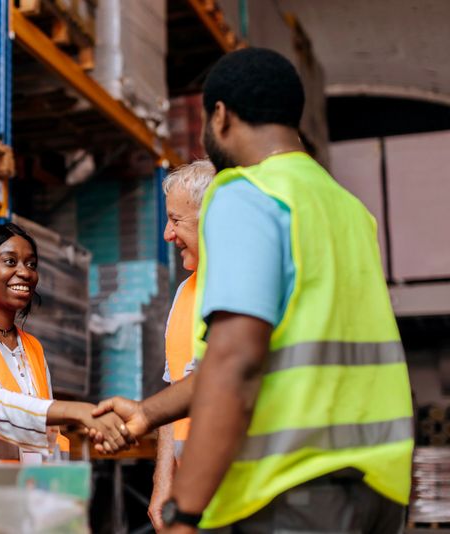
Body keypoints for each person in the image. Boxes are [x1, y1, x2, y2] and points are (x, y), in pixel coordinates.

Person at [93, 47, 413, 533]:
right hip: (379, 490)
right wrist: (146, 414)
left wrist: (187, 511)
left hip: (289, 490)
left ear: (220, 116)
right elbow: (274, 354)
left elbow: (234, 362)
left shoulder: (246, 192)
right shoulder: (348, 210)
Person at [0, 222, 132, 463]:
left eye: (31, 264)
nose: (25, 272)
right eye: (10, 261)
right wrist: (79, 412)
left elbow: (46, 433)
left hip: (27, 495)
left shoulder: (32, 347)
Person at [148, 160, 215, 531]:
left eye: (176, 220)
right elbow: (176, 386)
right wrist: (163, 481)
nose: (166, 234)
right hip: (192, 486)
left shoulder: (239, 288)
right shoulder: (184, 292)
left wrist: (138, 417)